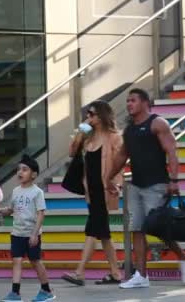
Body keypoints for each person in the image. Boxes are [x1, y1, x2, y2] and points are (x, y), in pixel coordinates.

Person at [105, 88, 185, 288]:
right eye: (127, 101)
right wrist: (109, 177)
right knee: (136, 229)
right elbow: (121, 156)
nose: (129, 104)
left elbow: (171, 150)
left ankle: (184, 257)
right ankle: (141, 276)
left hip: (157, 184)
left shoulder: (158, 123)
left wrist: (173, 179)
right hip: (135, 185)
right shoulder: (129, 130)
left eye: (133, 100)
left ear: (145, 103)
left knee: (159, 228)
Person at [61, 100, 123, 286]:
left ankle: (80, 273)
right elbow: (72, 153)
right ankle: (115, 273)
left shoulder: (114, 137)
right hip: (91, 190)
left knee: (92, 230)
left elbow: (120, 163)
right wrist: (81, 131)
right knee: (103, 233)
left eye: (91, 114)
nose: (88, 117)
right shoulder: (88, 138)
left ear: (102, 115)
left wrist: (117, 184)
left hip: (105, 191)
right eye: (87, 114)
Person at [0, 155, 55, 302]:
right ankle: (15, 293)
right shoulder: (15, 191)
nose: (20, 172)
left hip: (31, 234)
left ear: (33, 174)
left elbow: (41, 213)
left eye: (24, 169)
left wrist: (34, 234)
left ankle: (46, 290)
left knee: (36, 261)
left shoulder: (37, 192)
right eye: (18, 169)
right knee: (17, 261)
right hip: (17, 233)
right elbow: (11, 210)